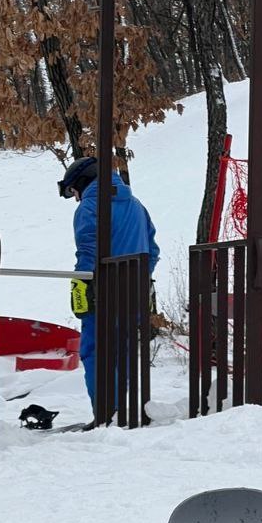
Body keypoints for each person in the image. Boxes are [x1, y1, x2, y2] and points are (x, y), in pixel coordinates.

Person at [59, 156, 160, 410]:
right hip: (132, 293)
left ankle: (106, 414)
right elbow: (153, 250)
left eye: (73, 191)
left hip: (101, 293)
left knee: (96, 354)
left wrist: (80, 288)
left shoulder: (90, 207)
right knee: (124, 353)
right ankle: (124, 413)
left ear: (82, 182)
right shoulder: (137, 205)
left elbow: (87, 252)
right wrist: (139, 278)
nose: (75, 198)